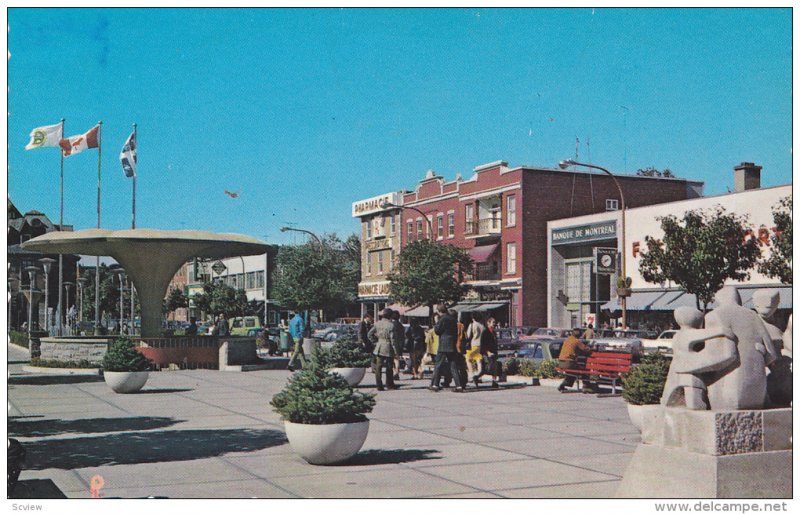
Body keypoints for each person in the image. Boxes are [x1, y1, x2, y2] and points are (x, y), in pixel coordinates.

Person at [431, 304, 464, 392]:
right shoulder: (453, 320)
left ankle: (435, 385)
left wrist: (436, 322)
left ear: (439, 311)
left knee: (438, 364)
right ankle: (458, 385)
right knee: (453, 365)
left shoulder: (442, 319)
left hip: (444, 344)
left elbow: (437, 331)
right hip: (452, 343)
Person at [368, 308, 397, 391]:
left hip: (379, 346)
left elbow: (369, 334)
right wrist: (396, 351)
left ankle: (379, 385)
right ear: (390, 316)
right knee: (389, 367)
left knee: (378, 367)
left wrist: (375, 341)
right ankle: (389, 384)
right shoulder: (391, 325)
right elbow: (393, 339)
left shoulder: (377, 323)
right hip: (388, 347)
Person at [557, 328, 593, 392]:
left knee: (572, 371)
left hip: (561, 362)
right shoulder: (576, 341)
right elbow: (586, 349)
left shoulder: (567, 340)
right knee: (584, 370)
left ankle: (563, 384)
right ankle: (586, 386)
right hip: (568, 362)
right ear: (579, 335)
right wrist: (592, 348)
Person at [475, 316, 500, 388]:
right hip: (487, 353)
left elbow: (495, 343)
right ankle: (476, 377)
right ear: (488, 323)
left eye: (495, 322)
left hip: (493, 352)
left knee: (494, 367)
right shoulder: (485, 332)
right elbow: (483, 344)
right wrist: (487, 352)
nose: (494, 324)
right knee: (487, 368)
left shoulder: (493, 332)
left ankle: (494, 382)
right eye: (493, 322)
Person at [465, 312, 486, 383]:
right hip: (481, 345)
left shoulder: (472, 325)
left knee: (468, 359)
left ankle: (472, 375)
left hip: (473, 345)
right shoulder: (483, 326)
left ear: (473, 318)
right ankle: (478, 375)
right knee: (478, 360)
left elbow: (467, 336)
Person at [391, 310, 406, 380]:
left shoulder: (391, 325)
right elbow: (403, 336)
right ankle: (397, 372)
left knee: (393, 359)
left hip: (393, 344)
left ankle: (395, 372)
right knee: (397, 359)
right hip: (400, 344)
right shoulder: (401, 325)